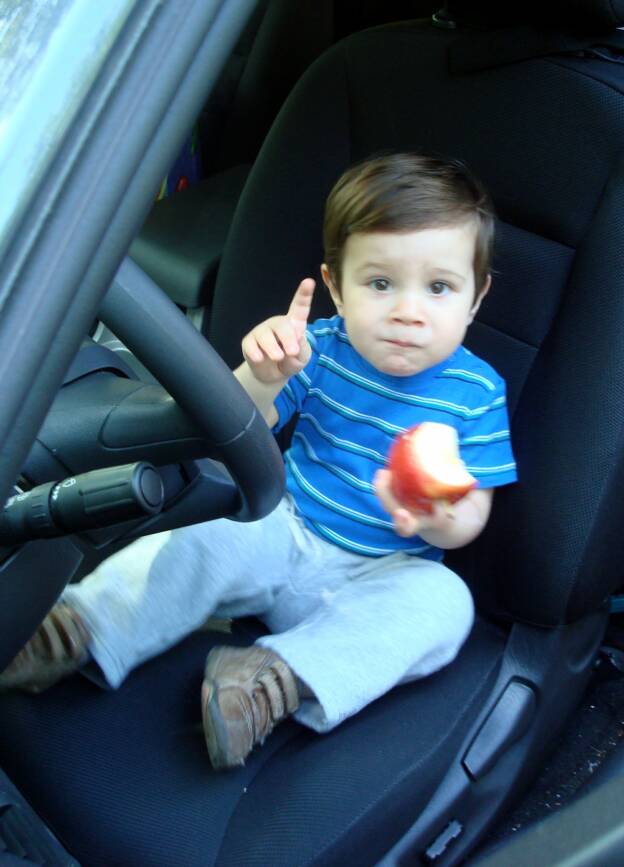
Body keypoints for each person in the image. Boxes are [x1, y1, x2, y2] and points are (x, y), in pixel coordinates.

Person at [0, 153, 517, 769]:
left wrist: (434, 514)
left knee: (446, 606)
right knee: (206, 531)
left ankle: (269, 678)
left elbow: (469, 519)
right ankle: (80, 627)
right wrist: (264, 375)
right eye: (380, 284)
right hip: (284, 529)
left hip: (385, 572)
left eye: (439, 288)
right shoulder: (320, 349)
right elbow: (237, 427)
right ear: (336, 287)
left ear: (476, 298)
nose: (409, 311)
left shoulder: (477, 392)